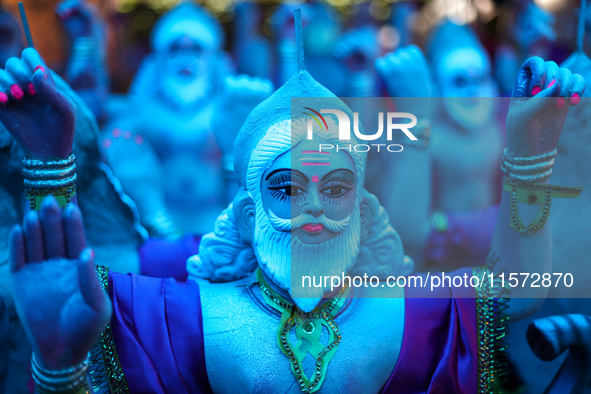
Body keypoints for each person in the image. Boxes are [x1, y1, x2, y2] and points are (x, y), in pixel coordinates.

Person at [0, 23, 585, 392]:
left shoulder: (410, 314)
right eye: (285, 188)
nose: (314, 210)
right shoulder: (184, 315)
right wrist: (56, 364)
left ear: (360, 208)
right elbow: (74, 279)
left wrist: (530, 155)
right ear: (250, 214)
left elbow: (517, 285)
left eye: (335, 190)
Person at [376, 22, 504, 271]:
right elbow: (404, 227)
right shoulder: (428, 131)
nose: (473, 91)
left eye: (480, 79)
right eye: (460, 81)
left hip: (495, 253)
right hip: (443, 257)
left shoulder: (500, 123)